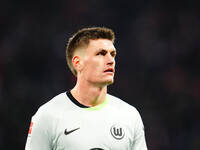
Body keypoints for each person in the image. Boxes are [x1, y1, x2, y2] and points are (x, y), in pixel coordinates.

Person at [25, 27, 148, 150]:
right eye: (101, 54)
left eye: (113, 54)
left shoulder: (130, 116)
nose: (111, 60)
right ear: (78, 63)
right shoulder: (48, 115)